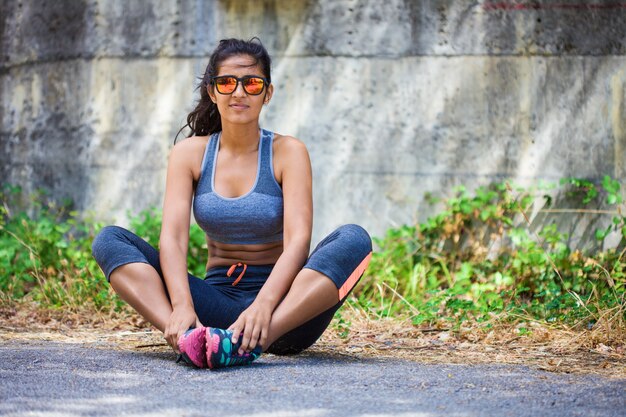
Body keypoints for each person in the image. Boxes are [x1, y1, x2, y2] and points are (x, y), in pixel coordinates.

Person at [91, 38, 372, 369]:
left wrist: (264, 307)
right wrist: (182, 305)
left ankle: (247, 345)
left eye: (252, 83)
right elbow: (173, 239)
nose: (239, 92)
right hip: (214, 306)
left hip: (285, 313)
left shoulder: (288, 152)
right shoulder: (189, 154)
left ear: (267, 93)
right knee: (109, 240)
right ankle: (186, 337)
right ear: (213, 91)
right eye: (227, 82)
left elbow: (298, 240)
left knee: (355, 239)